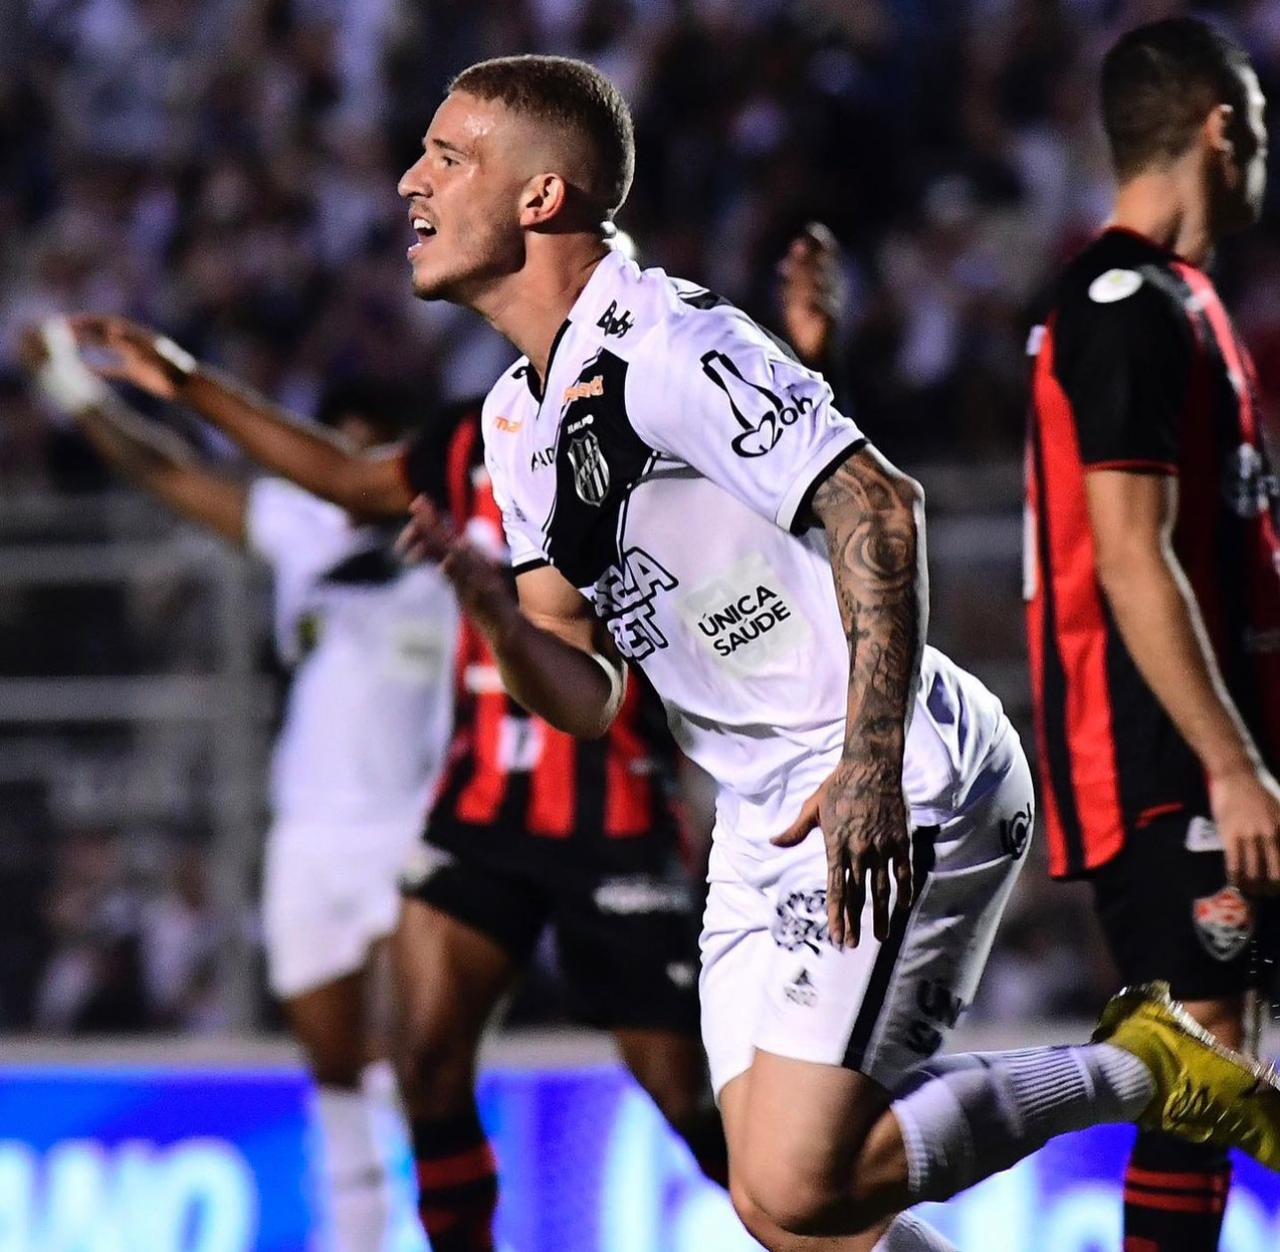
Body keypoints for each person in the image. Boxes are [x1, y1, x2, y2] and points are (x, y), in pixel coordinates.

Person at [384, 52, 1280, 1252]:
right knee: (787, 1212)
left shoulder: (672, 344)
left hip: (893, 765)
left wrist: (863, 763)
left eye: (448, 155)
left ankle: (1136, 1064)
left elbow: (879, 505)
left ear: (542, 196)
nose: (409, 181)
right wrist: (498, 617)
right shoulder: (512, 418)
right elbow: (588, 690)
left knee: (800, 1179)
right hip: (763, 811)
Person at [60, 221, 842, 1252]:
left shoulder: (658, 401)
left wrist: (808, 363)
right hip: (475, 810)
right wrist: (192, 383)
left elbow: (770, 478)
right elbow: (344, 480)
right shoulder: (476, 433)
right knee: (422, 1065)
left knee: (694, 1108)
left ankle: (846, 1233)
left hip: (611, 814)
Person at [24, 321, 458, 1252]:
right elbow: (171, 473)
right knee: (336, 1068)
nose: (341, 464)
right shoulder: (301, 529)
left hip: (407, 831)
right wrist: (75, 392)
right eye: (331, 444)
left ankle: (437, 1232)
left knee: (408, 1058)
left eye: (362, 448)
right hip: (306, 834)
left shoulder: (455, 559)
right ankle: (360, 1238)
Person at [1025, 18, 1280, 1252]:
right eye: (1262, 128)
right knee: (1200, 1057)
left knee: (1216, 1057)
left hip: (1205, 750)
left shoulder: (1179, 301)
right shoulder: (1122, 303)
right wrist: (1230, 763)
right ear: (1220, 128)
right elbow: (1130, 556)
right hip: (1158, 763)